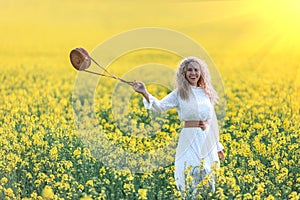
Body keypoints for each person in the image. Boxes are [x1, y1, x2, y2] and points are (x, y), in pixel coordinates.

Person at [132, 56, 225, 197]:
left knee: (208, 174)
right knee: (190, 170)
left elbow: (211, 121)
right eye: (189, 70)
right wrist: (144, 92)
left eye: (196, 70)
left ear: (201, 73)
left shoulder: (206, 93)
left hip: (206, 138)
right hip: (189, 137)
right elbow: (160, 106)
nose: (193, 73)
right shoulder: (179, 93)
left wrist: (218, 147)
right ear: (183, 73)